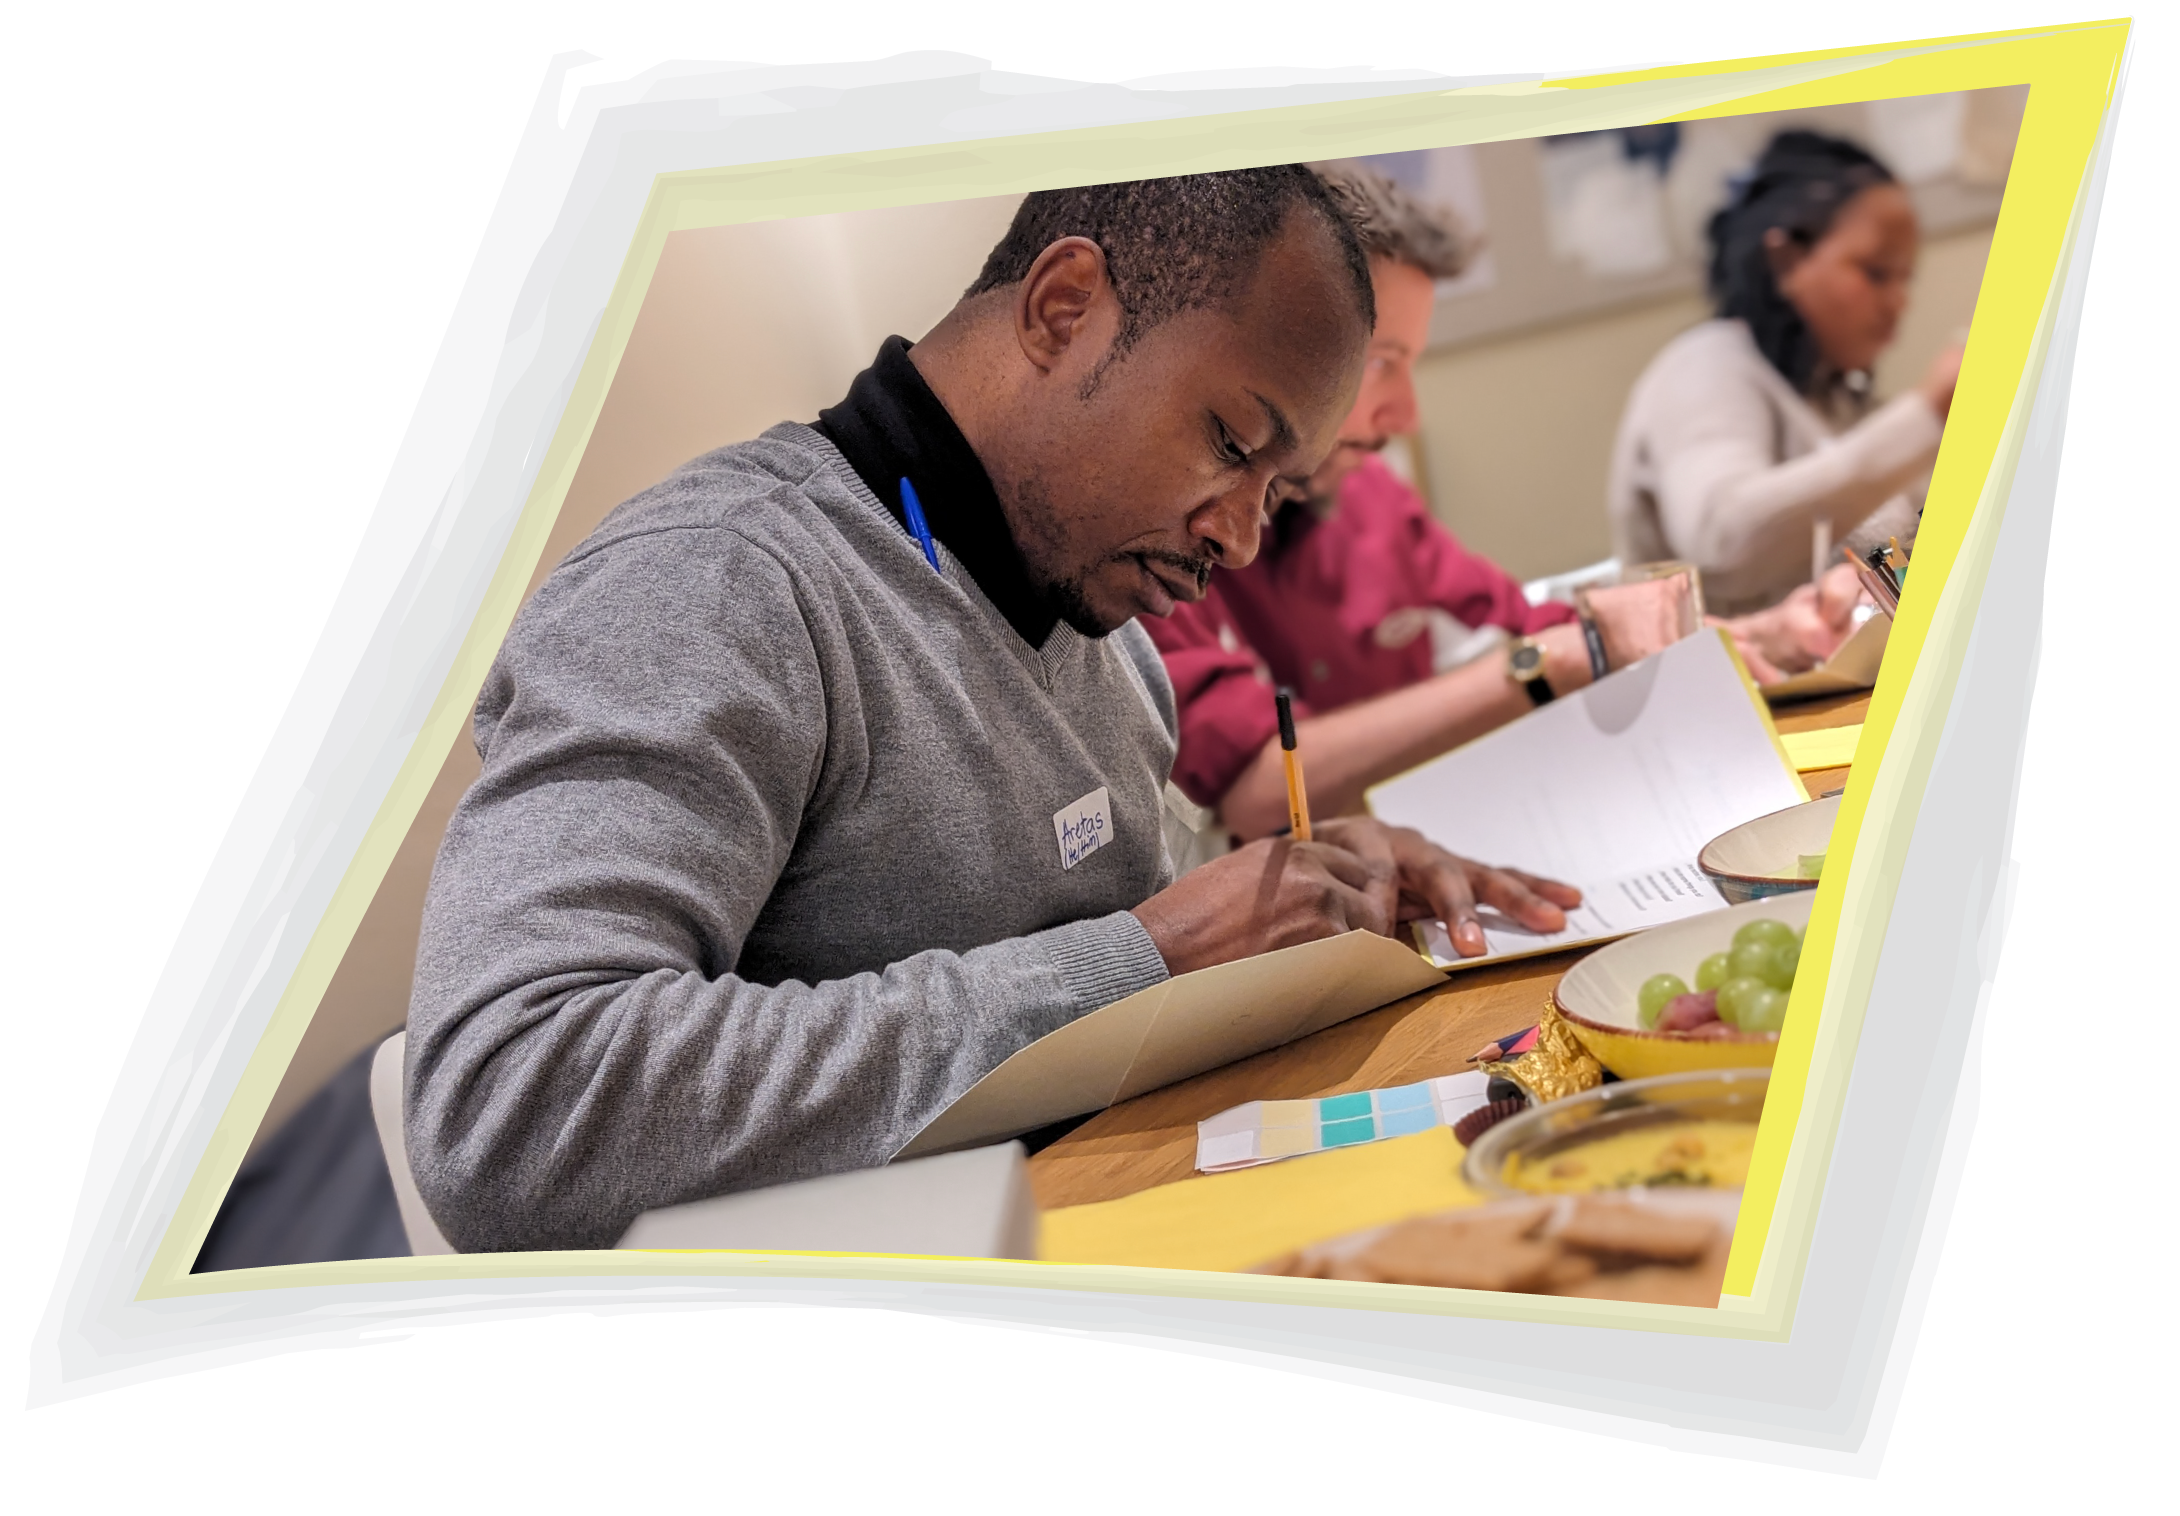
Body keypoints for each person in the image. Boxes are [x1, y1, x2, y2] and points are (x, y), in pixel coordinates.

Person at [403, 168, 1584, 1254]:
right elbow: (510, 1106)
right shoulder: (721, 582)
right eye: (1228, 443)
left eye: (1277, 489)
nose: (1235, 535)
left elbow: (1133, 937)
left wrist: (1300, 878)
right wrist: (1152, 953)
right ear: (1063, 307)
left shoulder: (1107, 639)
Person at [1147, 163, 1819, 850]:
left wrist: (1755, 635)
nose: (1404, 415)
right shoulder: (1165, 534)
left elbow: (1526, 624)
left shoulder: (1369, 496)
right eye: (1379, 364)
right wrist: (1549, 663)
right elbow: (1254, 794)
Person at [1607, 130, 1964, 619]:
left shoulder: (1832, 392)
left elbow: (1893, 562)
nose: (1899, 302)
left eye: (1905, 278)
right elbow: (1723, 545)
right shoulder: (1704, 367)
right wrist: (1928, 413)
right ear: (1786, 259)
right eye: (1876, 273)